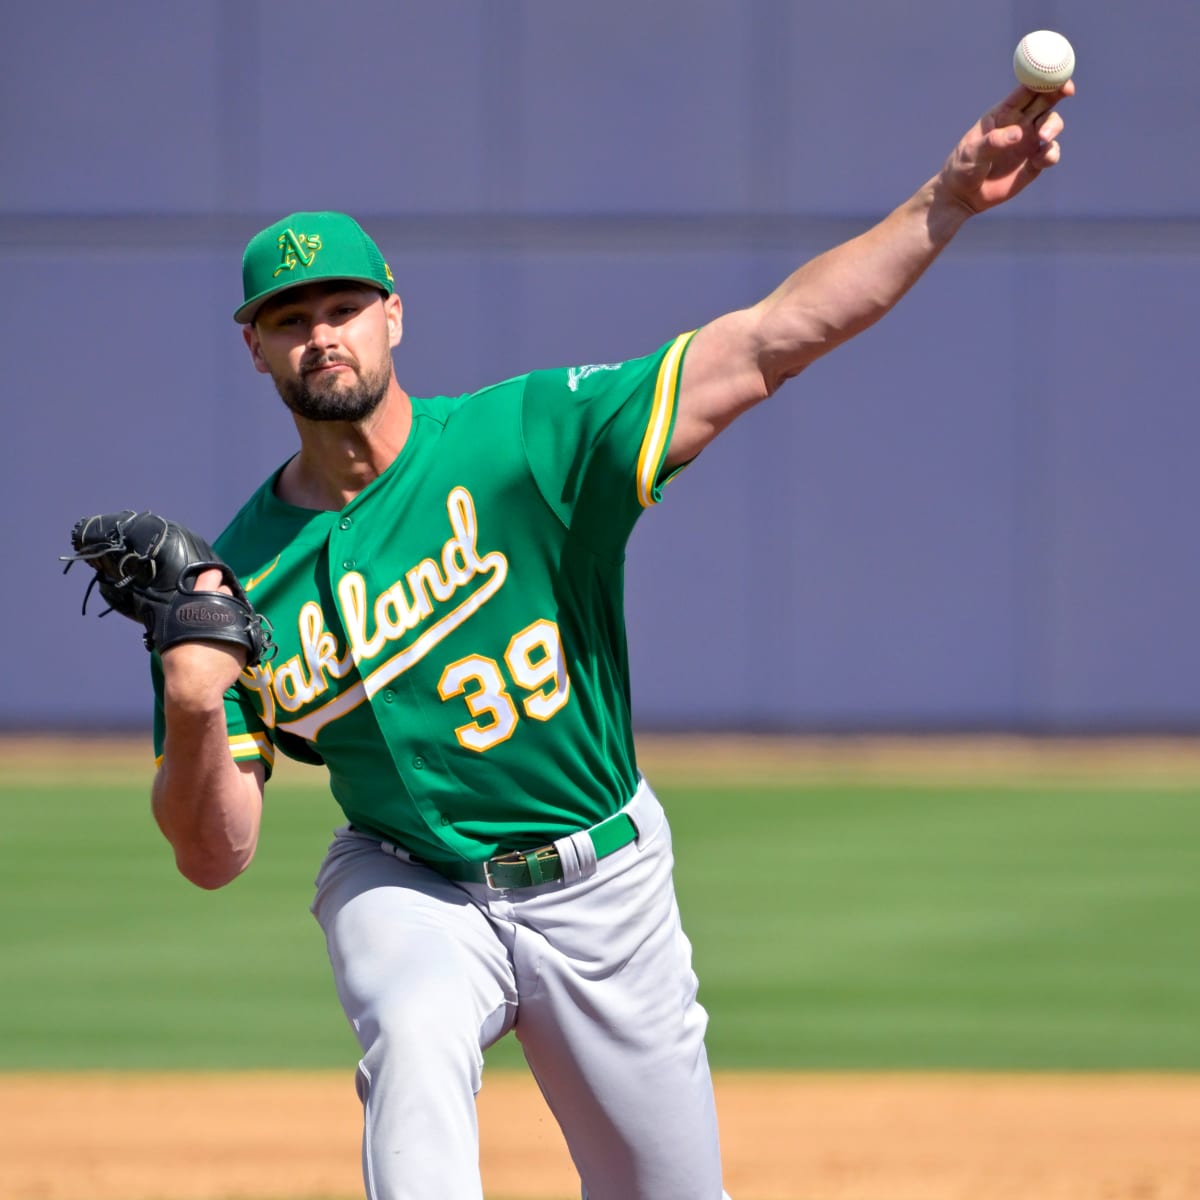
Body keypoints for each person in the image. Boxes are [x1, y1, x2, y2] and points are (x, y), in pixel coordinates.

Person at [149, 79, 1073, 1200]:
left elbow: (770, 340)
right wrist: (198, 704)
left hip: (602, 884)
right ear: (254, 348)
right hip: (412, 883)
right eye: (290, 319)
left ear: (394, 313)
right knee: (412, 1031)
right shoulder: (229, 582)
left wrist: (950, 198)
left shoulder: (523, 438)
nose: (321, 335)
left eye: (341, 306)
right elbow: (216, 854)